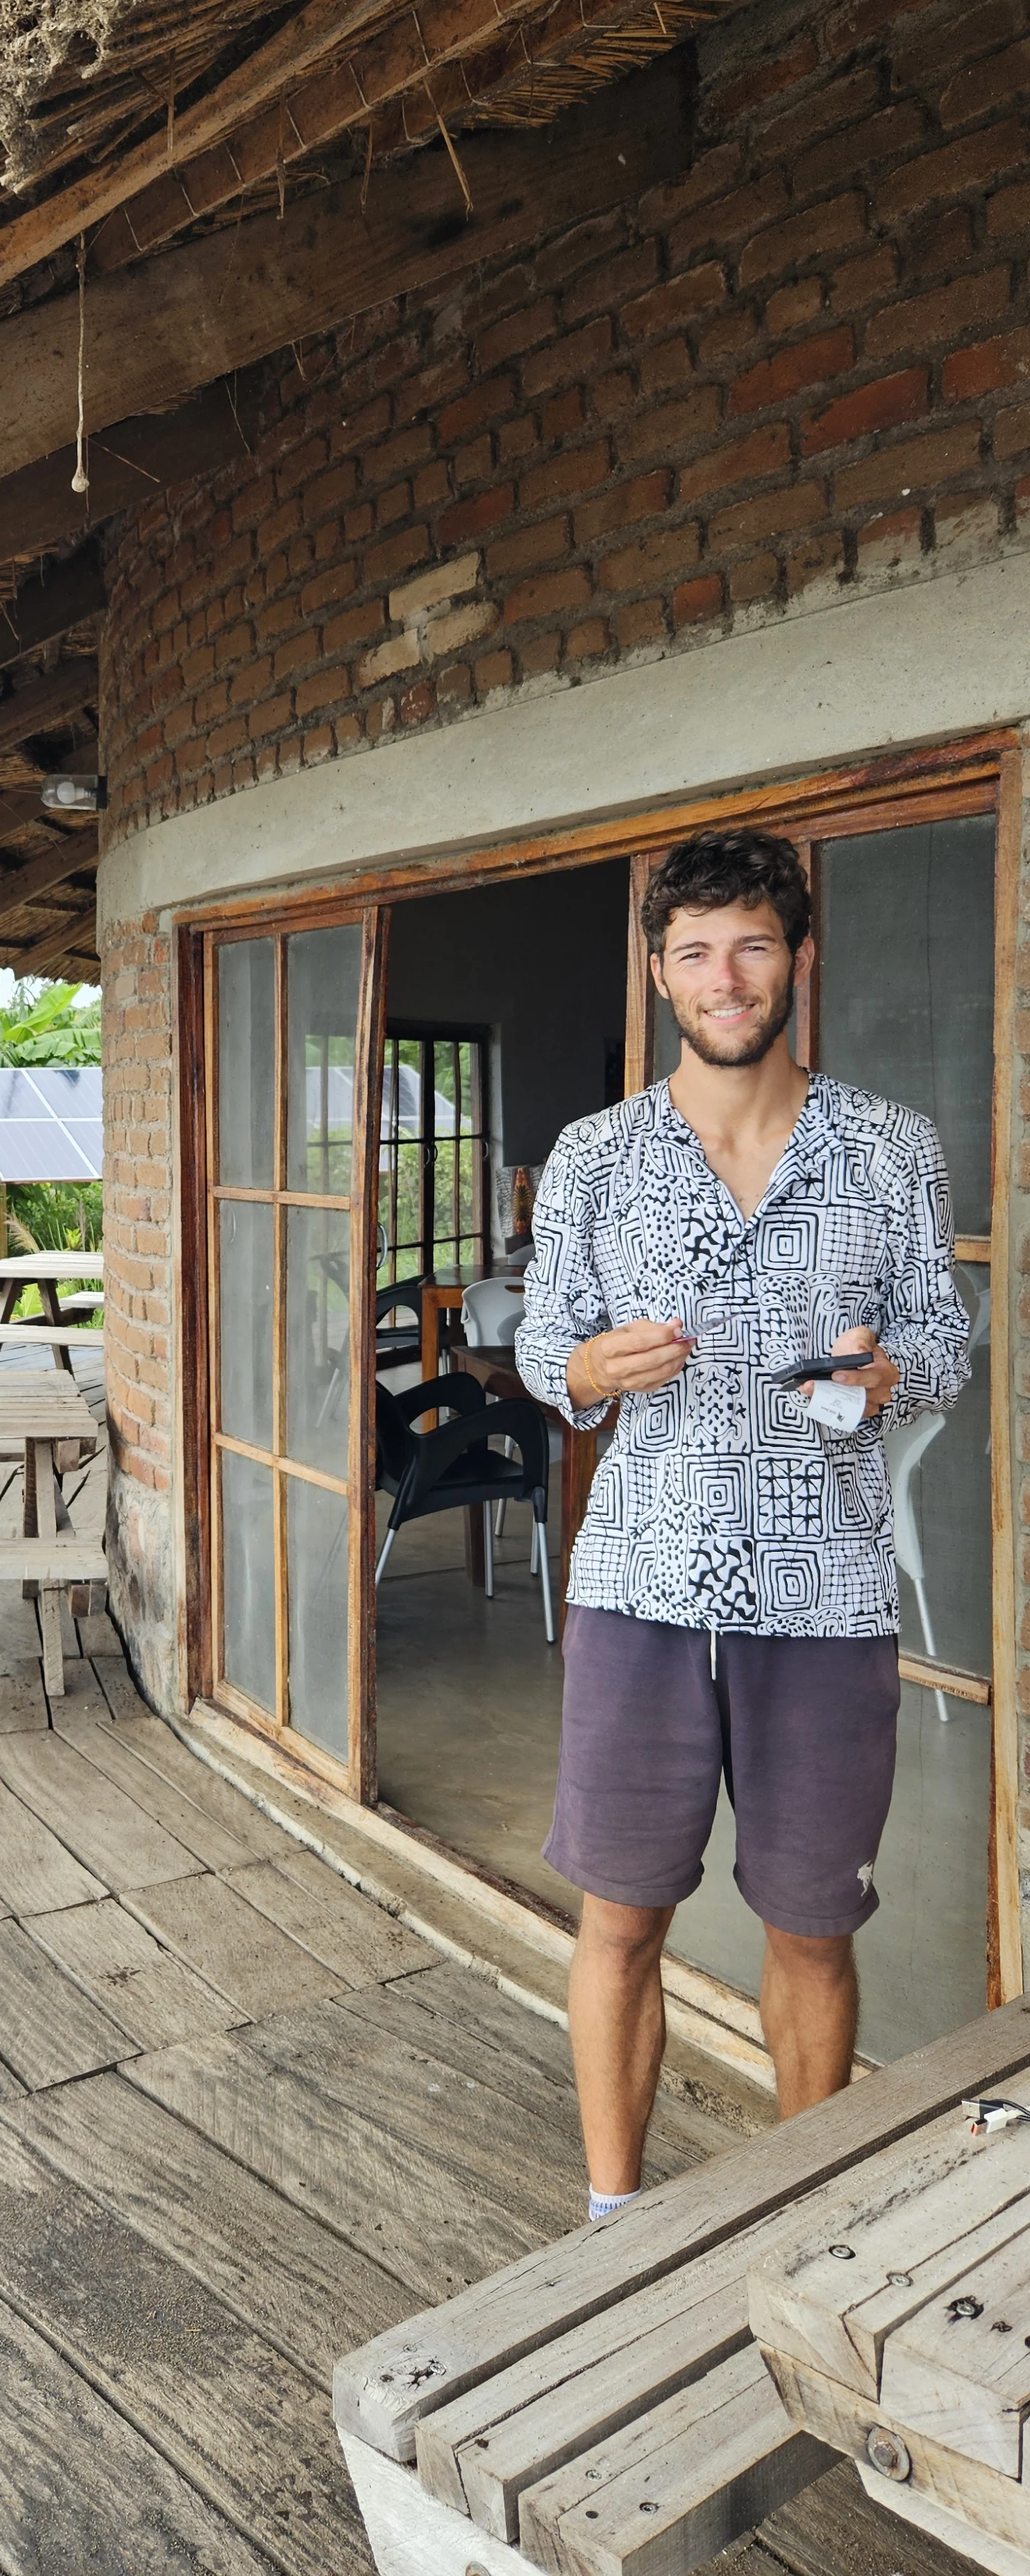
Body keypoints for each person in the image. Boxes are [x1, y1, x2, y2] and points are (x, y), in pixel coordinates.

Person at [514, 827, 970, 2220]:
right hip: (641, 1577)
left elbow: (948, 1342)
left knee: (812, 1921)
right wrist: (591, 1367)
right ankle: (613, 2217)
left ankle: (804, 2213)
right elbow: (543, 1346)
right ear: (660, 971)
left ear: (797, 959)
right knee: (620, 1912)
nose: (727, 977)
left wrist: (888, 1371)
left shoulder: (892, 1146)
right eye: (697, 950)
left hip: (825, 1592)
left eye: (754, 945)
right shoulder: (593, 1155)